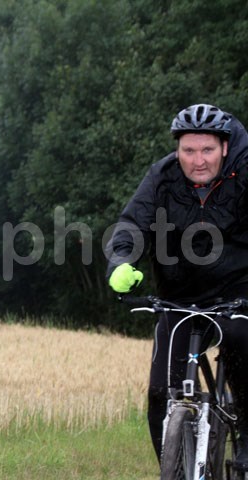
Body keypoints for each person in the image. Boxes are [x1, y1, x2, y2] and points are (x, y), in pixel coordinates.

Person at [105, 103, 248, 466]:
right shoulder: (162, 177)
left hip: (238, 295)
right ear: (177, 150)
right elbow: (132, 225)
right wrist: (120, 262)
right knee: (160, 394)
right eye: (188, 150)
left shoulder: (244, 174)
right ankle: (175, 468)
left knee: (241, 346)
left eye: (207, 150)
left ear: (225, 147)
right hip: (180, 298)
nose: (198, 160)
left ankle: (246, 438)